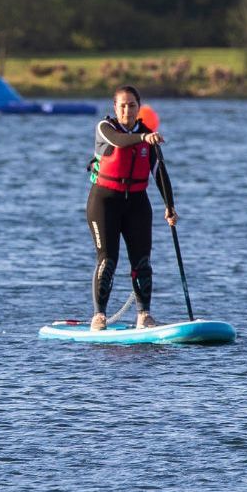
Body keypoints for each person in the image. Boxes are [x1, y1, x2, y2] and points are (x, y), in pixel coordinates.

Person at [85, 85, 176, 330]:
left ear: (139, 107)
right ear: (115, 108)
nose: (127, 110)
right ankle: (99, 316)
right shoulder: (105, 129)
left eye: (132, 105)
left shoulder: (148, 136)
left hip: (137, 203)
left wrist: (170, 206)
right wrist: (145, 137)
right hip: (104, 202)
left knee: (142, 262)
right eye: (122, 105)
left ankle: (144, 315)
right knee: (108, 261)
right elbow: (120, 141)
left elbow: (159, 173)